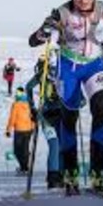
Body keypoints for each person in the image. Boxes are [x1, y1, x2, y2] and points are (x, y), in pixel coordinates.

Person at [28, 0, 103, 195]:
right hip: (69, 67)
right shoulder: (61, 12)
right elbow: (32, 40)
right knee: (69, 116)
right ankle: (71, 174)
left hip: (96, 64)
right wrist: (44, 31)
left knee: (100, 107)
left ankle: (98, 173)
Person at [25, 56, 63, 189]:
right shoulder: (42, 75)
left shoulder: (63, 72)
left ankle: (60, 175)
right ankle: (53, 177)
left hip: (61, 114)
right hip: (46, 115)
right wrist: (32, 108)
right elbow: (28, 87)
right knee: (55, 144)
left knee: (61, 145)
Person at [5, 87, 35, 175]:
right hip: (28, 130)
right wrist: (33, 127)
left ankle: (24, 167)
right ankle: (25, 167)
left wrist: (8, 130)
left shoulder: (16, 104)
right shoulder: (29, 103)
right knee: (25, 149)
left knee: (17, 150)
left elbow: (12, 118)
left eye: (17, 93)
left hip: (19, 130)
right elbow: (33, 117)